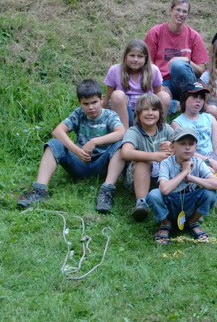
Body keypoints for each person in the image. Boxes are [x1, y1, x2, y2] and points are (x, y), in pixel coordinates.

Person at [17, 79, 125, 213]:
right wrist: (76, 150)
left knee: (121, 145)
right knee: (54, 143)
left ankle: (106, 191)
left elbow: (121, 132)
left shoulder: (110, 115)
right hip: (79, 163)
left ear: (102, 99)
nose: (91, 107)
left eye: (94, 102)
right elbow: (57, 131)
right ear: (80, 103)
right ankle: (40, 189)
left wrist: (94, 141)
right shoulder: (78, 114)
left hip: (102, 165)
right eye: (86, 104)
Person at [146, 127, 217, 245]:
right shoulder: (166, 163)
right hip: (171, 202)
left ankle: (192, 222)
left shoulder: (198, 162)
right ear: (172, 147)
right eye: (182, 144)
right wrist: (184, 172)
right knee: (154, 194)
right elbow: (164, 189)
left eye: (191, 144)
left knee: (211, 193)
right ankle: (165, 224)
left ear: (195, 147)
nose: (187, 147)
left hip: (189, 203)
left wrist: (191, 178)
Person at [144, 0, 209, 104]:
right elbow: (147, 64)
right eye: (178, 10)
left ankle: (188, 99)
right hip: (161, 81)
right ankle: (178, 105)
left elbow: (202, 71)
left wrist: (186, 61)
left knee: (178, 65)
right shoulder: (155, 32)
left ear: (187, 15)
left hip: (185, 83)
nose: (181, 14)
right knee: (159, 100)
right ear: (171, 10)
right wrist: (158, 85)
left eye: (184, 11)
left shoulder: (194, 36)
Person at [120, 93, 174, 221]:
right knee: (144, 161)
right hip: (138, 179)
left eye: (154, 109)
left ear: (160, 113)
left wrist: (172, 146)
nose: (150, 113)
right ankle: (141, 203)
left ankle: (181, 196)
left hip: (163, 177)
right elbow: (125, 153)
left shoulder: (166, 129)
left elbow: (183, 145)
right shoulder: (134, 131)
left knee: (180, 159)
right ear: (138, 113)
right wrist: (154, 156)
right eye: (145, 109)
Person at [103, 39, 170, 129]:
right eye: (132, 55)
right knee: (117, 95)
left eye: (140, 56)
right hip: (125, 111)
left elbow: (157, 95)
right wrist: (102, 116)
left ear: (146, 58)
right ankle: (124, 134)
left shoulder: (153, 70)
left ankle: (158, 129)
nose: (135, 59)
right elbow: (108, 97)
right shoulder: (115, 70)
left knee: (164, 95)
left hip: (147, 111)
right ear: (125, 56)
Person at [172, 82, 217, 173]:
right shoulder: (177, 123)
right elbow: (184, 152)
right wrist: (209, 161)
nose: (198, 100)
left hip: (214, 161)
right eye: (194, 96)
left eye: (201, 97)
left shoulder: (211, 119)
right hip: (192, 162)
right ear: (184, 98)